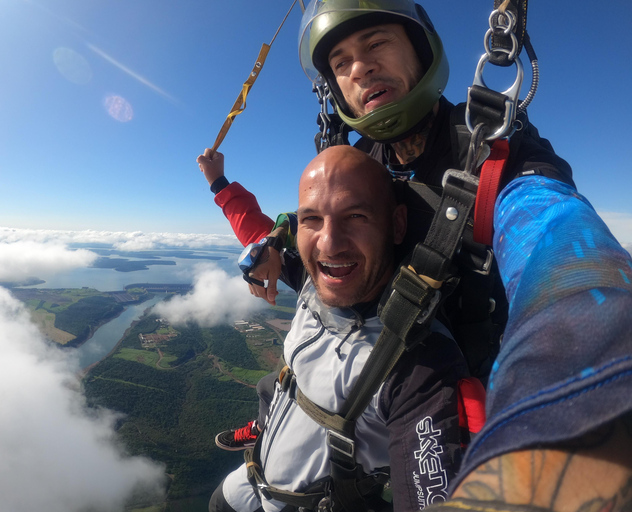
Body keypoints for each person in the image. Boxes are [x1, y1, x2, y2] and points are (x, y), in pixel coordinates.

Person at [198, 0, 632, 508]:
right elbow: (296, 232)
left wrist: (576, 397)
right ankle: (284, 415)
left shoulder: (494, 156)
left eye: (377, 44)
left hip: (424, 386)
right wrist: (238, 205)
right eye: (341, 63)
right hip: (346, 366)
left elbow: (557, 237)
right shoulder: (359, 166)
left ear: (421, 54)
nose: (359, 68)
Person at [210, 145, 475, 512]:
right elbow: (255, 230)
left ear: (396, 224)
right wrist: (219, 183)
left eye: (355, 216)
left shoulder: (419, 365)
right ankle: (263, 422)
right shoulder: (312, 278)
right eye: (312, 219)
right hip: (256, 473)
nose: (329, 243)